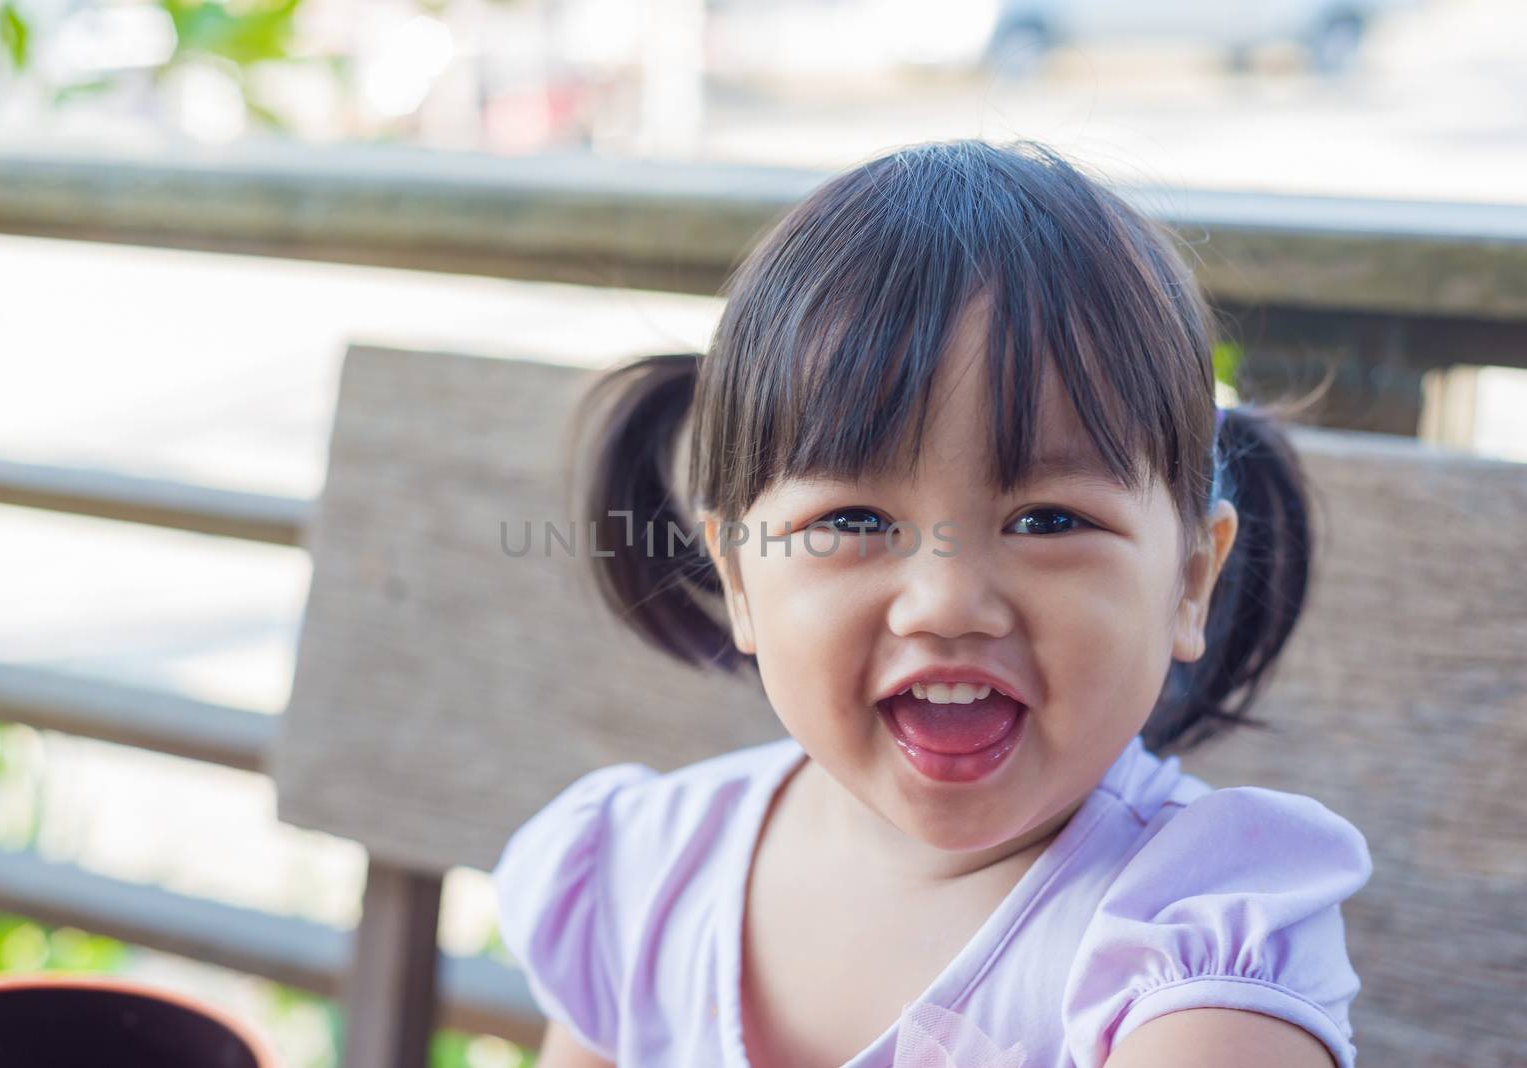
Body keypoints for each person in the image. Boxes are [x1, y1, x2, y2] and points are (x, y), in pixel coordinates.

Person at [491, 139, 1372, 1068]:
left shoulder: (1195, 941)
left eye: (1047, 520)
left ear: (1190, 580)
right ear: (741, 578)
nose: (947, 603)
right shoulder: (641, 878)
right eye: (857, 516)